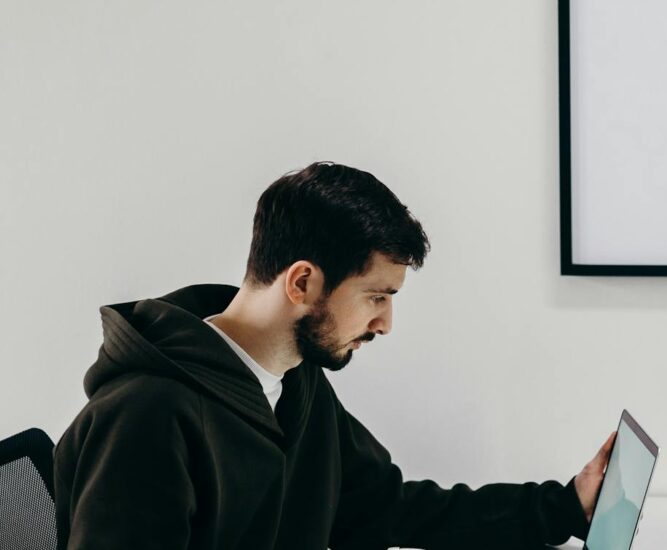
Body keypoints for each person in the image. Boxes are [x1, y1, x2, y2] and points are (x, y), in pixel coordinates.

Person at [53, 162, 615, 549]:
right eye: (376, 296)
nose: (385, 323)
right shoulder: (146, 416)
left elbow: (384, 505)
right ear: (302, 282)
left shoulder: (295, 386)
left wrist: (564, 507)